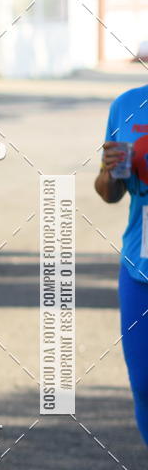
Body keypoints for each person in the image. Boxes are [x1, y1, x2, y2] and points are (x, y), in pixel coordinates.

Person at [95, 83, 148, 446]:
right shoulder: (127, 104)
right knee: (144, 383)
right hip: (139, 265)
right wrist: (110, 171)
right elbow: (109, 192)